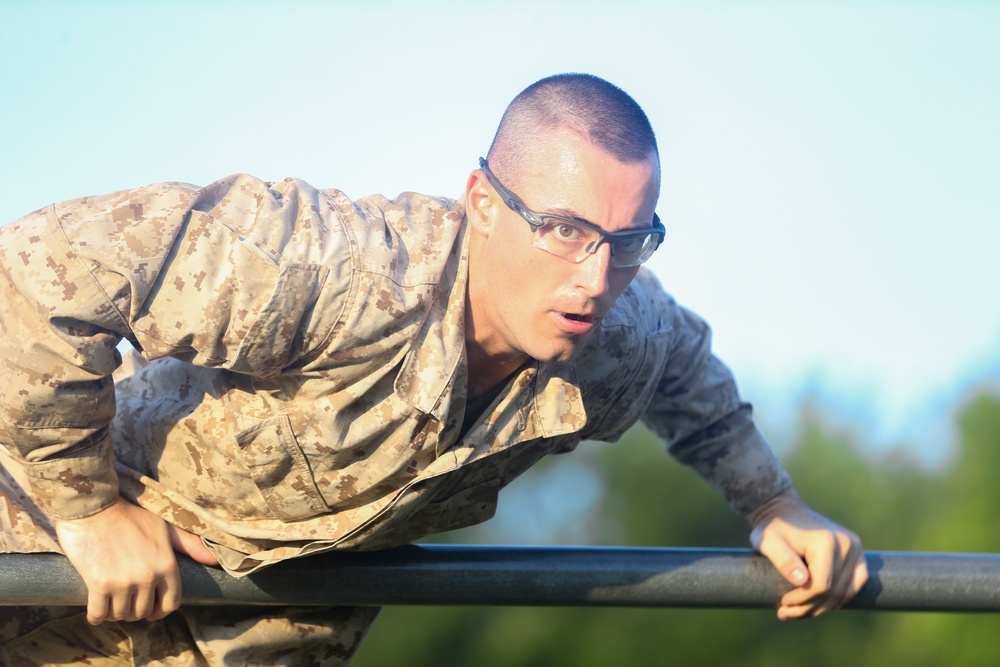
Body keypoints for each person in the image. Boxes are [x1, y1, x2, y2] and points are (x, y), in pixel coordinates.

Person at [0, 73, 867, 665]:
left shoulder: (617, 328)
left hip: (235, 632)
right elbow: (39, 269)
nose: (595, 277)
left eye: (629, 240)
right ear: (483, 203)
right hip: (42, 541)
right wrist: (89, 508)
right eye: (563, 228)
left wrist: (773, 504)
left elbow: (687, 376)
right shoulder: (328, 267)